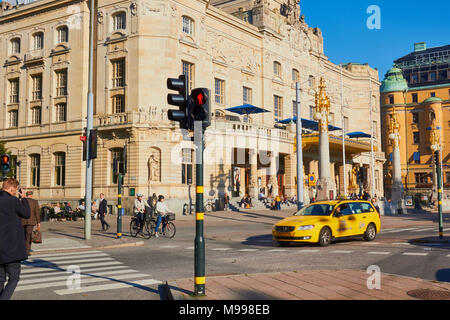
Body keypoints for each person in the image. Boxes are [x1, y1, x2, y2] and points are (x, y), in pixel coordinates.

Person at [0, 178, 30, 300]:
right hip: (11, 247)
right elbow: (26, 213)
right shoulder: (13, 201)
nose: (15, 192)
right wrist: (23, 199)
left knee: (0, 278)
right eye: (15, 190)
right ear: (12, 188)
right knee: (14, 278)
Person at [21, 191, 40, 256]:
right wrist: (38, 222)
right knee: (28, 235)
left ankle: (23, 249)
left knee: (23, 235)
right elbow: (37, 212)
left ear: (26, 195)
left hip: (23, 221)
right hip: (31, 221)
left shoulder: (22, 201)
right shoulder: (35, 202)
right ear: (31, 195)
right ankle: (27, 251)